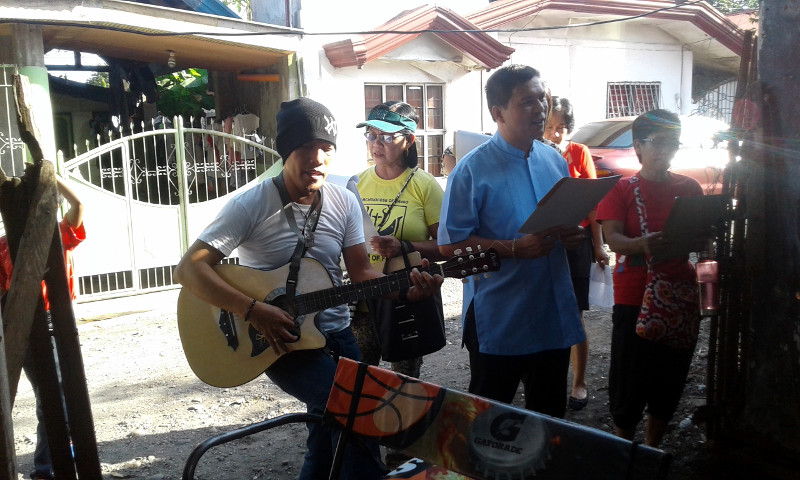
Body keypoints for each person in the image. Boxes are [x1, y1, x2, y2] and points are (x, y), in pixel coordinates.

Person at [173, 97, 442, 479]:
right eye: (305, 147)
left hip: (339, 336)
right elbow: (189, 269)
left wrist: (405, 292)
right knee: (360, 414)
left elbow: (363, 273)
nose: (317, 158)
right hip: (281, 344)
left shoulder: (345, 202)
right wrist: (252, 310)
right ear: (286, 150)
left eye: (326, 148)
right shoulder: (251, 204)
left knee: (325, 431)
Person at [437, 64, 586, 419]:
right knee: (490, 421)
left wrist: (572, 235)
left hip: (551, 311)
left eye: (542, 99)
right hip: (500, 317)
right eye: (527, 102)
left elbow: (565, 221)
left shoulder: (553, 159)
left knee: (548, 420)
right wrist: (515, 249)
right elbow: (449, 247)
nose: (540, 109)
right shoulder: (472, 170)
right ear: (498, 112)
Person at [596, 109, 703, 447]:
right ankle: (624, 447)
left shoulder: (690, 189)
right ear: (639, 147)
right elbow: (612, 239)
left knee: (670, 374)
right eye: (659, 143)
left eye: (673, 143)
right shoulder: (621, 190)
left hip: (679, 294)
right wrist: (641, 244)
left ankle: (653, 449)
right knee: (630, 377)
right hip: (634, 295)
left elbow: (701, 236)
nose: (667, 150)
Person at [351, 101, 445, 379]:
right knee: (357, 379)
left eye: (388, 137)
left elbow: (446, 248)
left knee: (404, 384)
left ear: (409, 140)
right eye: (371, 135)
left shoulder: (425, 185)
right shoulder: (355, 183)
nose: (376, 144)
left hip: (406, 296)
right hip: (363, 301)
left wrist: (404, 247)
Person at [1, 176, 86, 480]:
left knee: (63, 392)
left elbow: (78, 204)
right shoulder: (4, 247)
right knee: (52, 393)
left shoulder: (58, 234)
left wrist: (50, 176)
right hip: (25, 325)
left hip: (58, 321)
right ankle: (45, 468)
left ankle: (55, 459)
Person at [543, 96, 610, 411]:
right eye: (550, 127)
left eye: (561, 128)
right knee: (544, 311)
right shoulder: (537, 154)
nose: (556, 134)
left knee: (576, 313)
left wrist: (598, 244)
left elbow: (592, 203)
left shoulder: (580, 152)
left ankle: (579, 381)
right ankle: (545, 379)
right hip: (544, 241)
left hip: (577, 240)